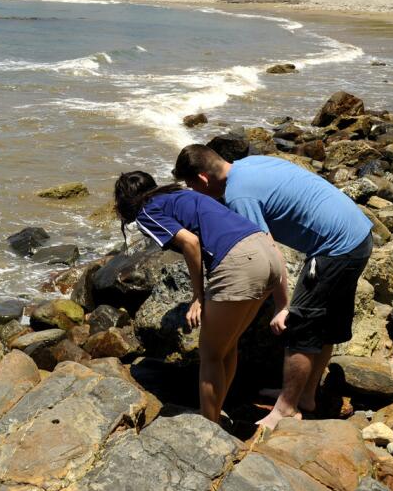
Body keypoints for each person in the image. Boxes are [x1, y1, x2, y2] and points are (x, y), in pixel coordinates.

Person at [171, 144, 374, 429]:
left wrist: (282, 305)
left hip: (335, 248)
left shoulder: (238, 196)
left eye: (192, 187)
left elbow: (268, 252)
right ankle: (306, 395)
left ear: (203, 179)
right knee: (324, 327)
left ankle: (286, 409)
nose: (195, 194)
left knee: (300, 328)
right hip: (357, 233)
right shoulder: (249, 164)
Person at [112, 170, 288, 427]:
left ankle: (208, 426)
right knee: (227, 346)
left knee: (210, 354)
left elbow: (191, 243)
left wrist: (198, 296)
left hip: (240, 261)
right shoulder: (181, 195)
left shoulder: (146, 211)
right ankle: (216, 410)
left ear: (126, 201)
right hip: (267, 251)